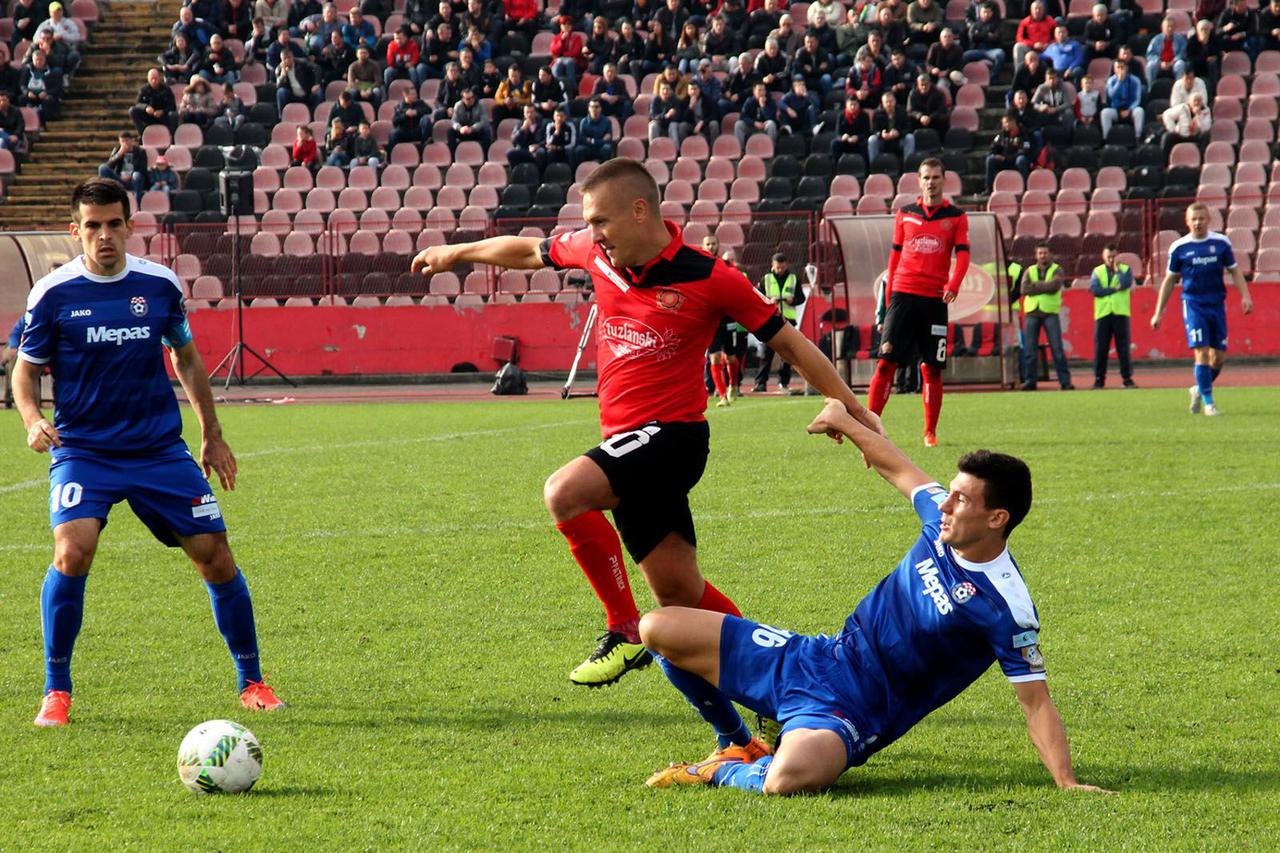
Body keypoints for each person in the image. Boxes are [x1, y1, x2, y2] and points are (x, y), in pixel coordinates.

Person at [410, 158, 882, 686]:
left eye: (600, 222)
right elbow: (527, 248)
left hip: (674, 438)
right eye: (588, 224)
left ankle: (625, 631)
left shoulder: (710, 276)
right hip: (627, 445)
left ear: (640, 211)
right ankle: (790, 678)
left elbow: (791, 344)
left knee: (564, 492)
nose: (592, 235)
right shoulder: (595, 254)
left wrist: (855, 410)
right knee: (683, 599)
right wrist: (457, 252)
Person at [643, 398, 1113, 798]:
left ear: (997, 519)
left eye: (961, 501)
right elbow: (894, 465)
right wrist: (844, 420)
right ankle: (737, 743)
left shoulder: (1005, 608)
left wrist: (1066, 781)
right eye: (948, 494)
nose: (944, 505)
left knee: (789, 777)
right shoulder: (939, 523)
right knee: (658, 628)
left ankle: (721, 771)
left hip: (858, 710)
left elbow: (1036, 703)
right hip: (819, 656)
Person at [13, 178, 287, 728]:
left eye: (114, 223)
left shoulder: (159, 285)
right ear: (76, 232)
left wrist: (211, 431)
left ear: (130, 227)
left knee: (215, 554)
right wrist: (33, 418)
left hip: (159, 449)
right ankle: (56, 691)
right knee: (72, 551)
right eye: (92, 226)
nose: (104, 235)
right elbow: (25, 368)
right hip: (84, 450)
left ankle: (252, 681)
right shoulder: (52, 294)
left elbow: (186, 359)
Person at [867, 158, 970, 448]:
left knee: (931, 369)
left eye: (936, 177)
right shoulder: (905, 214)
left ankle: (929, 433)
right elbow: (894, 257)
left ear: (944, 179)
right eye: (926, 177)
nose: (931, 182)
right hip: (903, 294)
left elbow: (963, 256)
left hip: (934, 300)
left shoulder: (957, 216)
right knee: (886, 362)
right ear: (919, 180)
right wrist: (888, 302)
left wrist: (954, 284)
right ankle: (870, 425)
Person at [1151, 202, 1253, 416]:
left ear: (1208, 220)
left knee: (1218, 358)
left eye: (1202, 218)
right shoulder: (1179, 248)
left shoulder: (1221, 243)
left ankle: (1199, 388)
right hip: (1193, 304)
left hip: (1217, 304)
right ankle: (1209, 403)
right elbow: (1170, 280)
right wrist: (1158, 311)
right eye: (1194, 219)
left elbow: (1234, 271)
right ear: (1187, 222)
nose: (1198, 222)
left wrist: (1245, 296)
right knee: (1202, 352)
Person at [1018, 243, 1074, 391]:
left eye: (1045, 253)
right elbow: (1024, 289)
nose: (1043, 255)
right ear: (1036, 255)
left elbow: (1054, 287)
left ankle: (1065, 382)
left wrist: (1035, 286)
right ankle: (1030, 381)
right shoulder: (1029, 271)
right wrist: (1044, 286)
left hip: (1050, 312)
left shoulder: (1057, 269)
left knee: (1057, 349)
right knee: (1030, 350)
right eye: (1040, 253)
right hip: (1032, 312)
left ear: (1050, 254)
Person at [752, 252, 802, 395]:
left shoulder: (793, 279)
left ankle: (783, 383)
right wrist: (769, 300)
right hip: (770, 319)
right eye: (777, 267)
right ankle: (760, 383)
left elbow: (801, 298)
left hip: (788, 320)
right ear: (772, 265)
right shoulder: (766, 279)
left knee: (787, 354)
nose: (780, 270)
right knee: (767, 354)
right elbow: (758, 297)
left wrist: (793, 300)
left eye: (782, 267)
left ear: (786, 265)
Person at [1089, 244, 1136, 389]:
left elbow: (1125, 283)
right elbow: (1096, 290)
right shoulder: (1097, 271)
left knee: (1123, 348)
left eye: (1113, 256)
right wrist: (1113, 290)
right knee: (1101, 348)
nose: (1111, 259)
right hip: (1103, 313)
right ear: (1103, 256)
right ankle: (1099, 379)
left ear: (1118, 256)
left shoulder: (1125, 270)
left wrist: (1117, 271)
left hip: (1120, 312)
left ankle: (1127, 379)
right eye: (1108, 256)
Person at [1100, 58, 1144, 141]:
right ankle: (1107, 139)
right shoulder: (1111, 81)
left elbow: (1137, 99)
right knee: (1105, 113)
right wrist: (1119, 82)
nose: (1120, 69)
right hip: (1116, 109)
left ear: (1126, 68)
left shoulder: (1135, 80)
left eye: (1122, 67)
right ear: (1114, 69)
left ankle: (1138, 138)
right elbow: (1111, 96)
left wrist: (1129, 110)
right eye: (1118, 67)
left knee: (1139, 111)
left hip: (1130, 109)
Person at [867, 91, 914, 167]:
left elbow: (908, 128)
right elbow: (873, 131)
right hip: (883, 141)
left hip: (898, 141)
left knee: (910, 137)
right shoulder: (877, 113)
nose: (889, 104)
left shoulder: (902, 111)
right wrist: (881, 134)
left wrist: (898, 133)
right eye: (886, 102)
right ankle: (874, 166)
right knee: (872, 139)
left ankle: (908, 166)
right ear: (883, 103)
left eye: (891, 101)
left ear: (895, 101)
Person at [98, 130, 148, 201]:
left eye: (127, 141)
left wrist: (130, 176)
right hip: (119, 180)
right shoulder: (117, 150)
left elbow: (143, 169)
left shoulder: (140, 151)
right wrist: (119, 154)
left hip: (133, 181)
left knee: (137, 175)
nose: (125, 144)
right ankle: (105, 196)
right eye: (122, 142)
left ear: (132, 140)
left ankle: (137, 202)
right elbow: (108, 165)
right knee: (102, 168)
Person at [1145, 16, 1188, 88]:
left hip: (1174, 63)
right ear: (1162, 28)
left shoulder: (1180, 39)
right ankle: (1150, 89)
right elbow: (1150, 54)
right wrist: (1160, 62)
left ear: (1175, 28)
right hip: (1160, 63)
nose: (1170, 29)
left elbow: (1183, 53)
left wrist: (1173, 62)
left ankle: (1178, 88)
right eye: (1168, 26)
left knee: (1180, 64)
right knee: (1150, 65)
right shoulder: (1156, 39)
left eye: (1172, 26)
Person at [734, 80, 777, 148]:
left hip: (764, 125)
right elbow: (743, 116)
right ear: (754, 92)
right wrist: (754, 123)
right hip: (752, 125)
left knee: (771, 124)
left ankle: (771, 148)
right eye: (759, 90)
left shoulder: (770, 101)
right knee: (738, 124)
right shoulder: (749, 101)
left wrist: (763, 107)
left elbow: (771, 117)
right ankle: (740, 149)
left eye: (763, 90)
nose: (762, 93)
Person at [447, 86, 490, 151]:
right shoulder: (458, 105)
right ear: (463, 99)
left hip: (475, 131)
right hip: (463, 131)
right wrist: (460, 128)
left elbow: (483, 121)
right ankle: (453, 155)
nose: (471, 100)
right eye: (468, 99)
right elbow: (453, 121)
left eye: (472, 97)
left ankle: (485, 154)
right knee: (450, 132)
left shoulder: (480, 105)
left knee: (486, 131)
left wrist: (472, 128)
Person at [1015, 0, 1054, 67]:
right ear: (1031, 10)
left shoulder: (1051, 21)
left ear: (1043, 10)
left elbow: (1056, 37)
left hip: (1047, 48)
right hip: (1031, 48)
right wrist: (1033, 44)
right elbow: (1019, 38)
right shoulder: (1025, 22)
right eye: (1035, 8)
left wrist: (1048, 44)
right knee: (1018, 47)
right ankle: (1020, 72)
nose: (1037, 11)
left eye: (1040, 9)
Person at [831, 94, 870, 161]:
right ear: (846, 105)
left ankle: (865, 167)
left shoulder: (864, 115)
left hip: (858, 142)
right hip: (845, 142)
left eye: (855, 104)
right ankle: (836, 167)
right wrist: (843, 136)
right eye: (850, 105)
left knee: (865, 144)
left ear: (858, 104)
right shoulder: (841, 115)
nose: (852, 107)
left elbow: (867, 132)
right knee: (835, 143)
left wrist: (857, 137)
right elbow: (837, 132)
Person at [576, 98, 615, 163]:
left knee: (607, 148)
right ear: (589, 109)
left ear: (600, 108)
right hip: (588, 148)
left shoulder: (607, 121)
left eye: (596, 107)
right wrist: (600, 140)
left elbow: (608, 139)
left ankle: (605, 171)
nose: (594, 109)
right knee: (579, 150)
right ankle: (579, 171)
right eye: (592, 107)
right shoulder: (583, 122)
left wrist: (592, 140)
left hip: (601, 148)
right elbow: (582, 139)